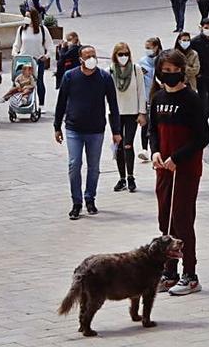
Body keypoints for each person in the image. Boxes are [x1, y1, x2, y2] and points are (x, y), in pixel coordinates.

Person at [150, 49, 209, 296]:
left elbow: (203, 137)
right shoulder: (157, 98)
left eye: (176, 71)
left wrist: (178, 158)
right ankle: (169, 271)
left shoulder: (191, 99)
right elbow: (153, 131)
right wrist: (154, 151)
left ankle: (190, 275)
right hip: (163, 169)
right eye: (166, 71)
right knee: (165, 220)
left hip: (185, 169)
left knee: (182, 221)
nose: (171, 75)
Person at [54, 45, 122, 220]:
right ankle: (76, 202)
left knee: (94, 167)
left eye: (94, 55)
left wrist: (116, 130)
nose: (92, 58)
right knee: (74, 164)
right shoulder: (70, 76)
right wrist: (56, 126)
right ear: (81, 59)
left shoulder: (104, 77)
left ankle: (89, 198)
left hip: (96, 129)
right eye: (88, 56)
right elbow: (61, 102)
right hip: (73, 128)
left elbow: (113, 105)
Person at [110, 42, 146, 193]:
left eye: (126, 54)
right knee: (118, 145)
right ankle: (122, 178)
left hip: (132, 112)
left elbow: (141, 91)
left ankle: (131, 176)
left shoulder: (136, 70)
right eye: (120, 54)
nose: (123, 57)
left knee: (128, 144)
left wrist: (142, 112)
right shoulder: (110, 71)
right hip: (116, 113)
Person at [12, 5, 53, 106]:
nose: (26, 18)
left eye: (28, 16)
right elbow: (16, 45)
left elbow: (50, 45)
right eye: (25, 16)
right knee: (21, 82)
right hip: (23, 60)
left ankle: (41, 104)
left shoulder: (42, 30)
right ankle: (20, 101)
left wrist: (46, 56)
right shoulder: (21, 29)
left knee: (39, 82)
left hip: (38, 60)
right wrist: (15, 54)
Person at [137, 37, 163, 162]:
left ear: (156, 47)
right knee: (145, 124)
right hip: (147, 97)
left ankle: (157, 149)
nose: (148, 50)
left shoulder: (163, 60)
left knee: (158, 124)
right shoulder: (142, 62)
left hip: (160, 97)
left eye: (150, 47)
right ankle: (144, 149)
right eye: (146, 48)